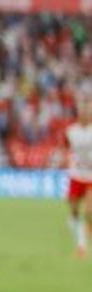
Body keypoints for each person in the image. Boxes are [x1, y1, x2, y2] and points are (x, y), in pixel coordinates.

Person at [62, 96, 92, 259]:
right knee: (73, 209)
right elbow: (65, 147)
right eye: (83, 111)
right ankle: (76, 220)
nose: (86, 114)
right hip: (76, 175)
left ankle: (82, 244)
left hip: (91, 178)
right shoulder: (71, 131)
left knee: (89, 209)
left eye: (88, 111)